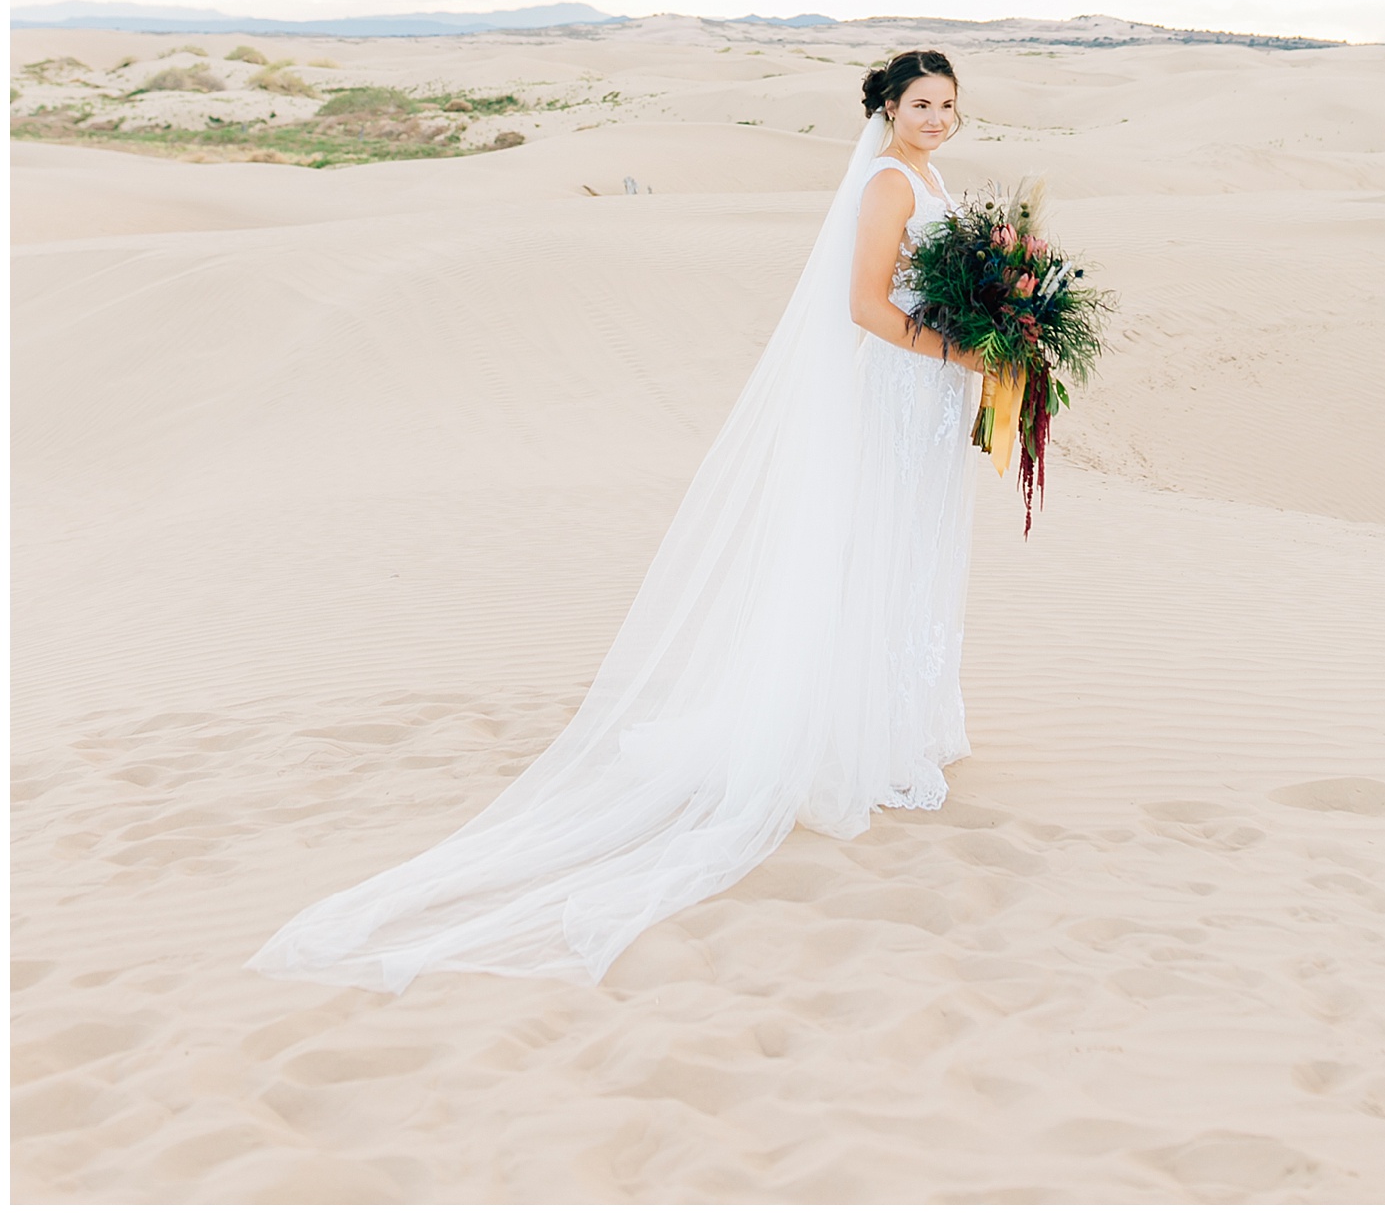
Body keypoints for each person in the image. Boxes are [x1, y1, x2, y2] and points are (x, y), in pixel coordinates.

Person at [248, 49, 986, 990]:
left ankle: (895, 721)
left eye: (948, 105)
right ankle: (845, 734)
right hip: (901, 388)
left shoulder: (933, 177)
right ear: (887, 108)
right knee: (869, 551)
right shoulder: (887, 183)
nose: (936, 118)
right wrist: (961, 349)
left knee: (908, 549)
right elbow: (864, 306)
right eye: (921, 104)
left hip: (931, 398)